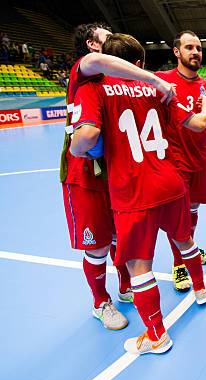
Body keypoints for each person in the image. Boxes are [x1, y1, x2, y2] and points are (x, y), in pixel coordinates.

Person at [70, 33, 206, 355]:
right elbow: (196, 123)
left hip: (133, 192)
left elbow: (88, 134)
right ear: (140, 63)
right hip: (171, 183)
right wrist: (202, 105)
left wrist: (80, 150)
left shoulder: (93, 88)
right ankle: (201, 290)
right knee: (185, 242)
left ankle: (156, 335)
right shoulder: (157, 87)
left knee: (139, 265)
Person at [59, 22, 177, 331]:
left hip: (114, 171)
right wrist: (156, 79)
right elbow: (85, 136)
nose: (113, 40)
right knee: (96, 244)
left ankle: (126, 285)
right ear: (91, 44)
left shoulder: (114, 84)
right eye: (105, 36)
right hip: (84, 176)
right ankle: (100, 303)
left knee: (118, 236)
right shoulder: (84, 74)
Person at [155, 30, 206, 291]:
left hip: (200, 162)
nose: (195, 52)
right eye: (189, 47)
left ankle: (190, 250)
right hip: (173, 162)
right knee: (179, 218)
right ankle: (179, 265)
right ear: (177, 52)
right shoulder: (162, 81)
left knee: (192, 213)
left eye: (198, 47)